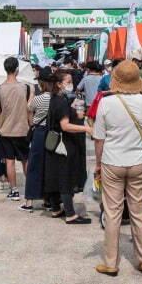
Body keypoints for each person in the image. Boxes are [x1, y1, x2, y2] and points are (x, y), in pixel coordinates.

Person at [92, 60, 142, 276]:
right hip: (138, 160)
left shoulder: (105, 103)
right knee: (139, 212)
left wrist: (98, 164)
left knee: (112, 213)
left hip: (112, 160)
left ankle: (111, 263)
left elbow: (99, 138)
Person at [44, 68, 92, 224]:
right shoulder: (61, 102)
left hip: (55, 144)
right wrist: (86, 128)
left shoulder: (57, 99)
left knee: (56, 175)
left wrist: (78, 110)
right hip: (64, 144)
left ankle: (56, 208)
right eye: (68, 82)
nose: (71, 85)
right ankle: (70, 214)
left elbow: (76, 117)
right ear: (59, 84)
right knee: (65, 178)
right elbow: (65, 126)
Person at [0, 58, 33, 201]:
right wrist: (31, 125)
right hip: (23, 129)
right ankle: (31, 189)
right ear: (17, 69)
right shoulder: (27, 88)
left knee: (9, 161)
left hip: (5, 131)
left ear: (5, 69)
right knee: (25, 160)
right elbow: (30, 111)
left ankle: (14, 190)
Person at [23, 69, 58, 210]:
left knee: (34, 166)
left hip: (39, 133)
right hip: (53, 134)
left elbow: (29, 110)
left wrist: (32, 93)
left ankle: (29, 201)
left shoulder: (38, 99)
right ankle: (49, 200)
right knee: (50, 166)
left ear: (41, 83)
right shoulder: (58, 97)